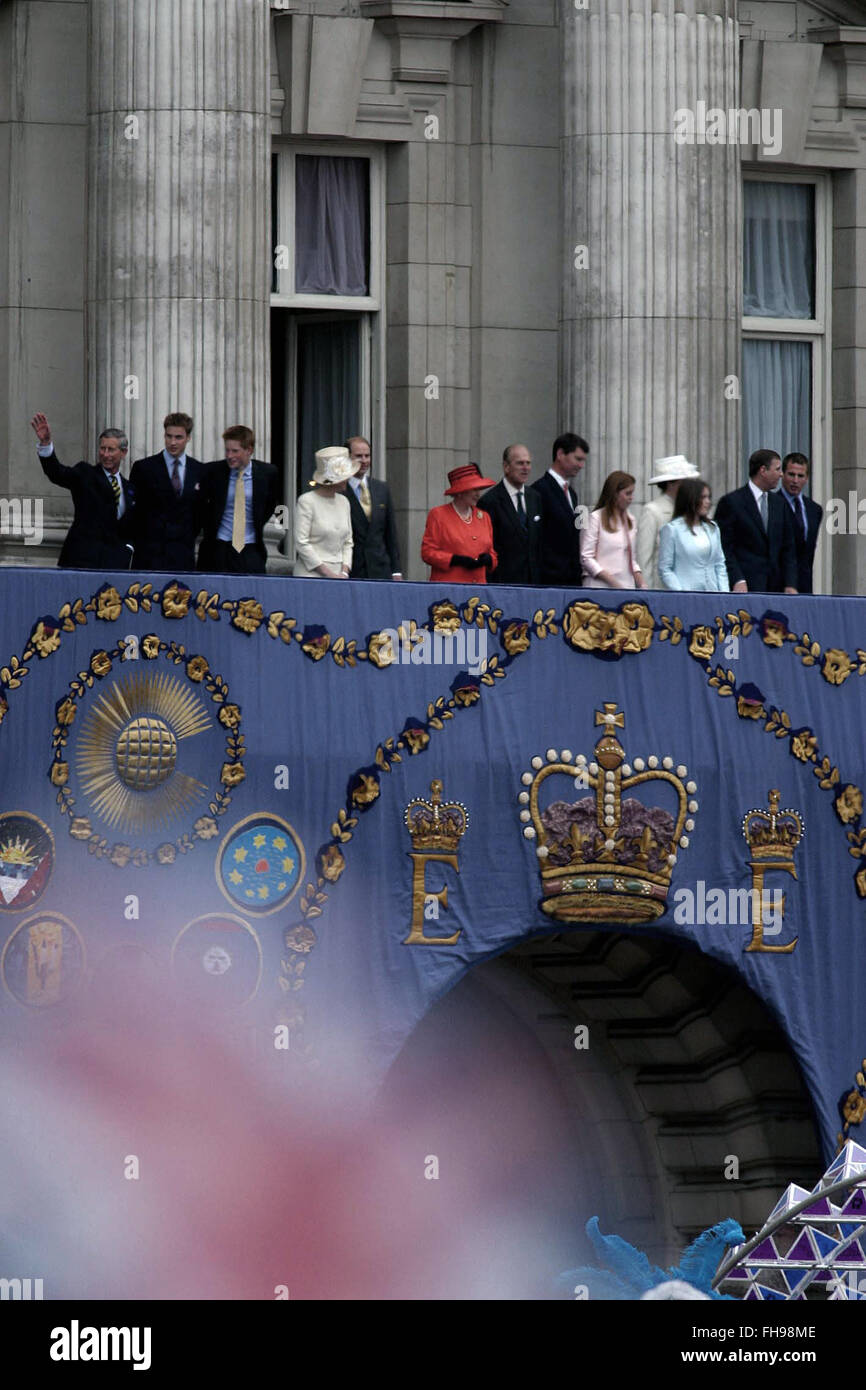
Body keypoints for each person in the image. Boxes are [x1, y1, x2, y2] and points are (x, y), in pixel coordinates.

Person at [30, 412, 135, 569]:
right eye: (102, 449)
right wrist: (46, 444)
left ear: (123, 452)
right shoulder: (85, 474)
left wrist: (129, 548)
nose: (105, 454)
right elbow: (57, 473)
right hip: (82, 560)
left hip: (114, 565)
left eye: (111, 450)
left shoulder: (129, 488)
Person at [197, 426, 280, 575]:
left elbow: (270, 504)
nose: (229, 455)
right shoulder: (213, 471)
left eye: (235, 451)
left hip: (250, 547)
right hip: (219, 547)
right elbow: (201, 506)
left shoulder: (268, 473)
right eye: (227, 450)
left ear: (249, 450)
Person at [714, 450, 798, 595]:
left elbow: (788, 547)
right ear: (763, 470)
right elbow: (724, 548)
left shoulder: (780, 504)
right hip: (745, 588)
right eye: (777, 469)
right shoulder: (732, 503)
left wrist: (790, 583)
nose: (781, 474)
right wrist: (737, 579)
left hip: (775, 589)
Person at [129, 412, 203, 571]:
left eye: (178, 437)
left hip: (183, 554)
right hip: (150, 554)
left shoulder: (199, 470)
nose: (172, 442)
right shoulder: (144, 468)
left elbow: (199, 512)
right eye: (169, 436)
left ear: (188, 438)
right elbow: (135, 512)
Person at [420, 463, 497, 584]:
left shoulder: (484, 517)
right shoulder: (438, 515)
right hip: (449, 588)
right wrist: (454, 560)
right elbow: (427, 552)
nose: (478, 494)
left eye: (479, 489)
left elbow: (492, 552)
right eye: (474, 489)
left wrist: (489, 560)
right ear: (460, 492)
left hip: (478, 589)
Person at [477, 444, 542, 584]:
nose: (525, 468)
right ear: (506, 467)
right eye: (520, 463)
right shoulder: (489, 501)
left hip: (533, 583)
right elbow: (487, 546)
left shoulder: (535, 497)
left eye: (528, 463)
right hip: (503, 582)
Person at [636, 454, 700, 589]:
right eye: (685, 481)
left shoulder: (691, 510)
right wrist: (648, 593)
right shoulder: (652, 510)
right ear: (671, 483)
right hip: (662, 589)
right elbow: (644, 557)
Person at [532, 433, 587, 586]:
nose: (581, 465)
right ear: (560, 454)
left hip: (571, 579)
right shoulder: (539, 490)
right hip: (549, 579)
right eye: (578, 459)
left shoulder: (572, 494)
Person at [294, 446, 358, 578]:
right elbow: (301, 543)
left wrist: (344, 572)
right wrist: (328, 574)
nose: (348, 479)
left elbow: (348, 542)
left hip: (340, 575)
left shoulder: (344, 502)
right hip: (310, 574)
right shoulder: (307, 501)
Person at [344, 436, 402, 580]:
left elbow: (390, 533)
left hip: (380, 569)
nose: (364, 461)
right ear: (347, 458)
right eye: (358, 456)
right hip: (352, 570)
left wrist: (396, 571)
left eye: (367, 456)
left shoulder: (381, 488)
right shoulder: (340, 491)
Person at [658, 478, 729, 591]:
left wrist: (725, 594)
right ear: (690, 498)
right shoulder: (672, 530)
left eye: (708, 497)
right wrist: (681, 593)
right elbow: (665, 568)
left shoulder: (713, 528)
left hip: (713, 594)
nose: (708, 502)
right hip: (687, 596)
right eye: (703, 497)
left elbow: (719, 564)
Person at [580, 471, 646, 590]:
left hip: (626, 586)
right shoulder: (596, 518)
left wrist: (642, 583)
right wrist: (613, 582)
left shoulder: (631, 519)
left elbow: (631, 560)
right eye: (627, 494)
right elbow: (586, 558)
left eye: (632, 493)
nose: (631, 498)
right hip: (598, 586)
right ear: (615, 494)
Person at [781, 453, 822, 594]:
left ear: (807, 478)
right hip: (778, 585)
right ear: (782, 475)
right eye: (791, 475)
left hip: (805, 586)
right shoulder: (772, 504)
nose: (795, 480)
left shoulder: (814, 510)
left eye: (800, 476)